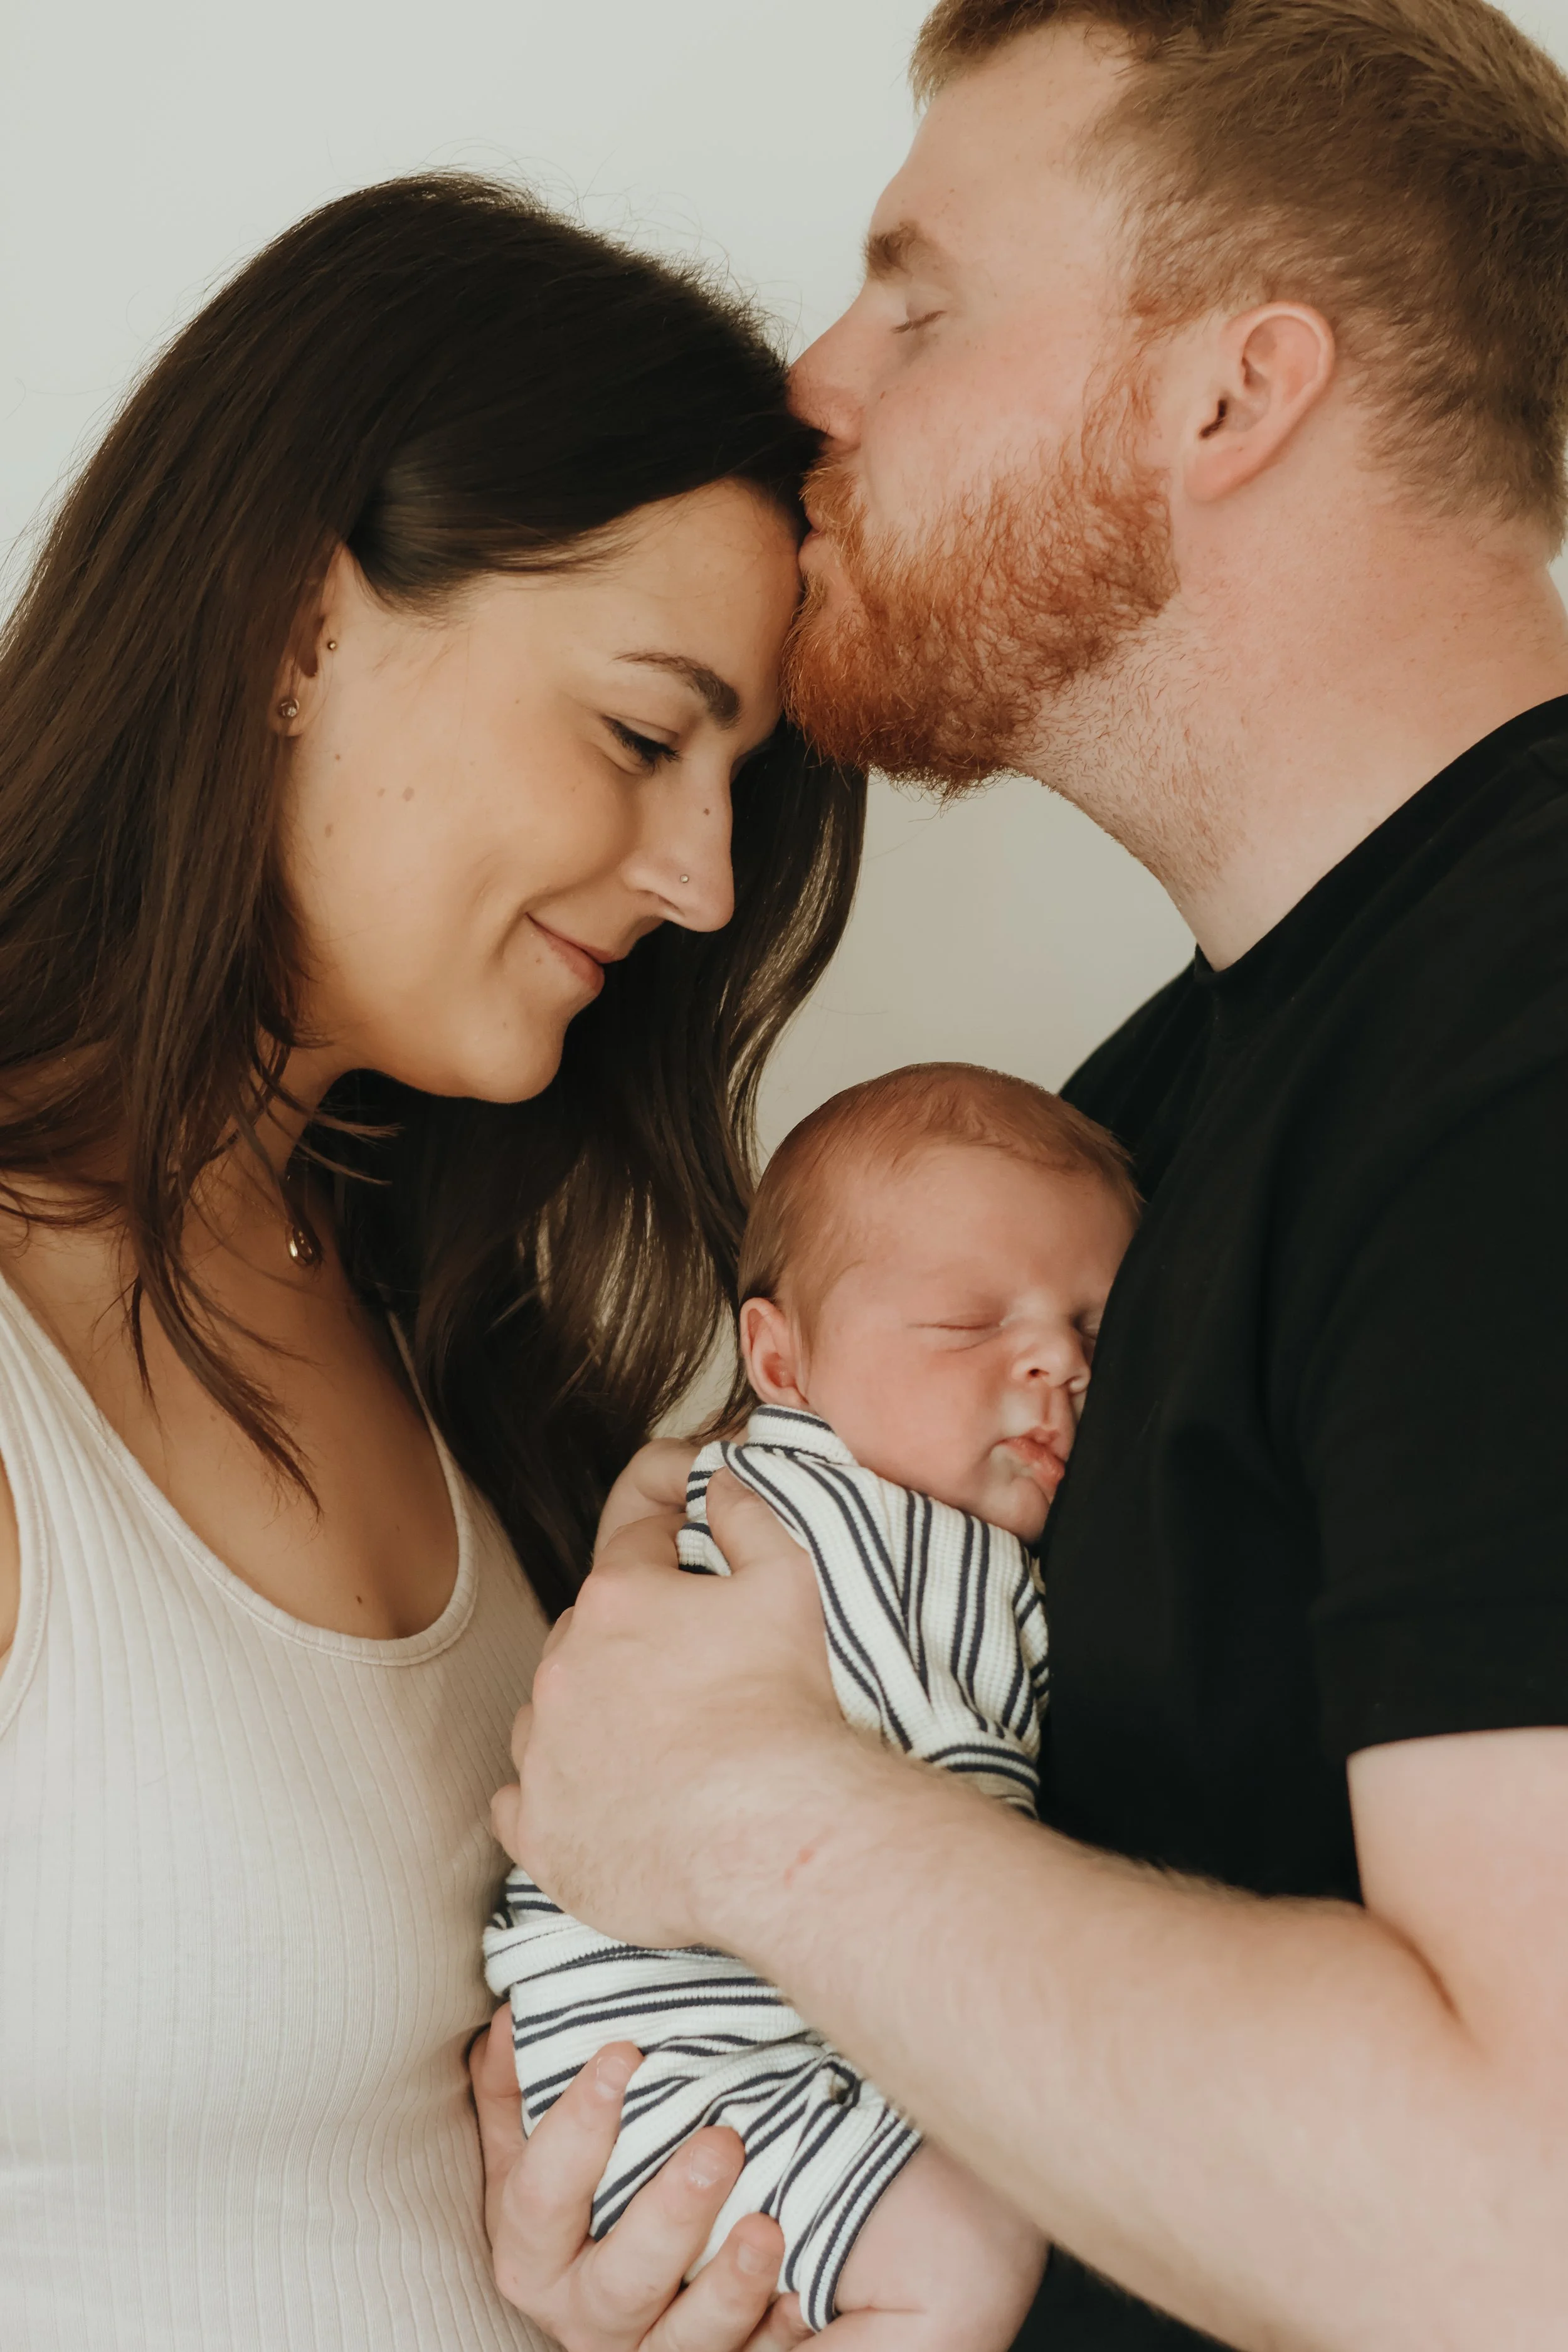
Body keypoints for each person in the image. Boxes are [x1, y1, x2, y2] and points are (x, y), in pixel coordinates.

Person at [482, 1, 1568, 2346]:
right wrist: (740, 2220)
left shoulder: (1528, 1044)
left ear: (1230, 396)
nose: (815, 379)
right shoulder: (1132, 1125)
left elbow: (1527, 2227)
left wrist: (742, 1811)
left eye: (919, 298)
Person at [0, 174, 863, 2352]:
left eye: (736, 780)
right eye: (643, 733)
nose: (701, 878)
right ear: (302, 630)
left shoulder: (432, 1318)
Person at [484, 1066, 1136, 2346]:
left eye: (1094, 1334)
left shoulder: (741, 1491)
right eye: (969, 1323)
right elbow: (963, 1856)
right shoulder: (880, 1531)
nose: (1059, 1362)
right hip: (696, 2073)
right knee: (971, 2249)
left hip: (638, 2063)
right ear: (779, 1356)